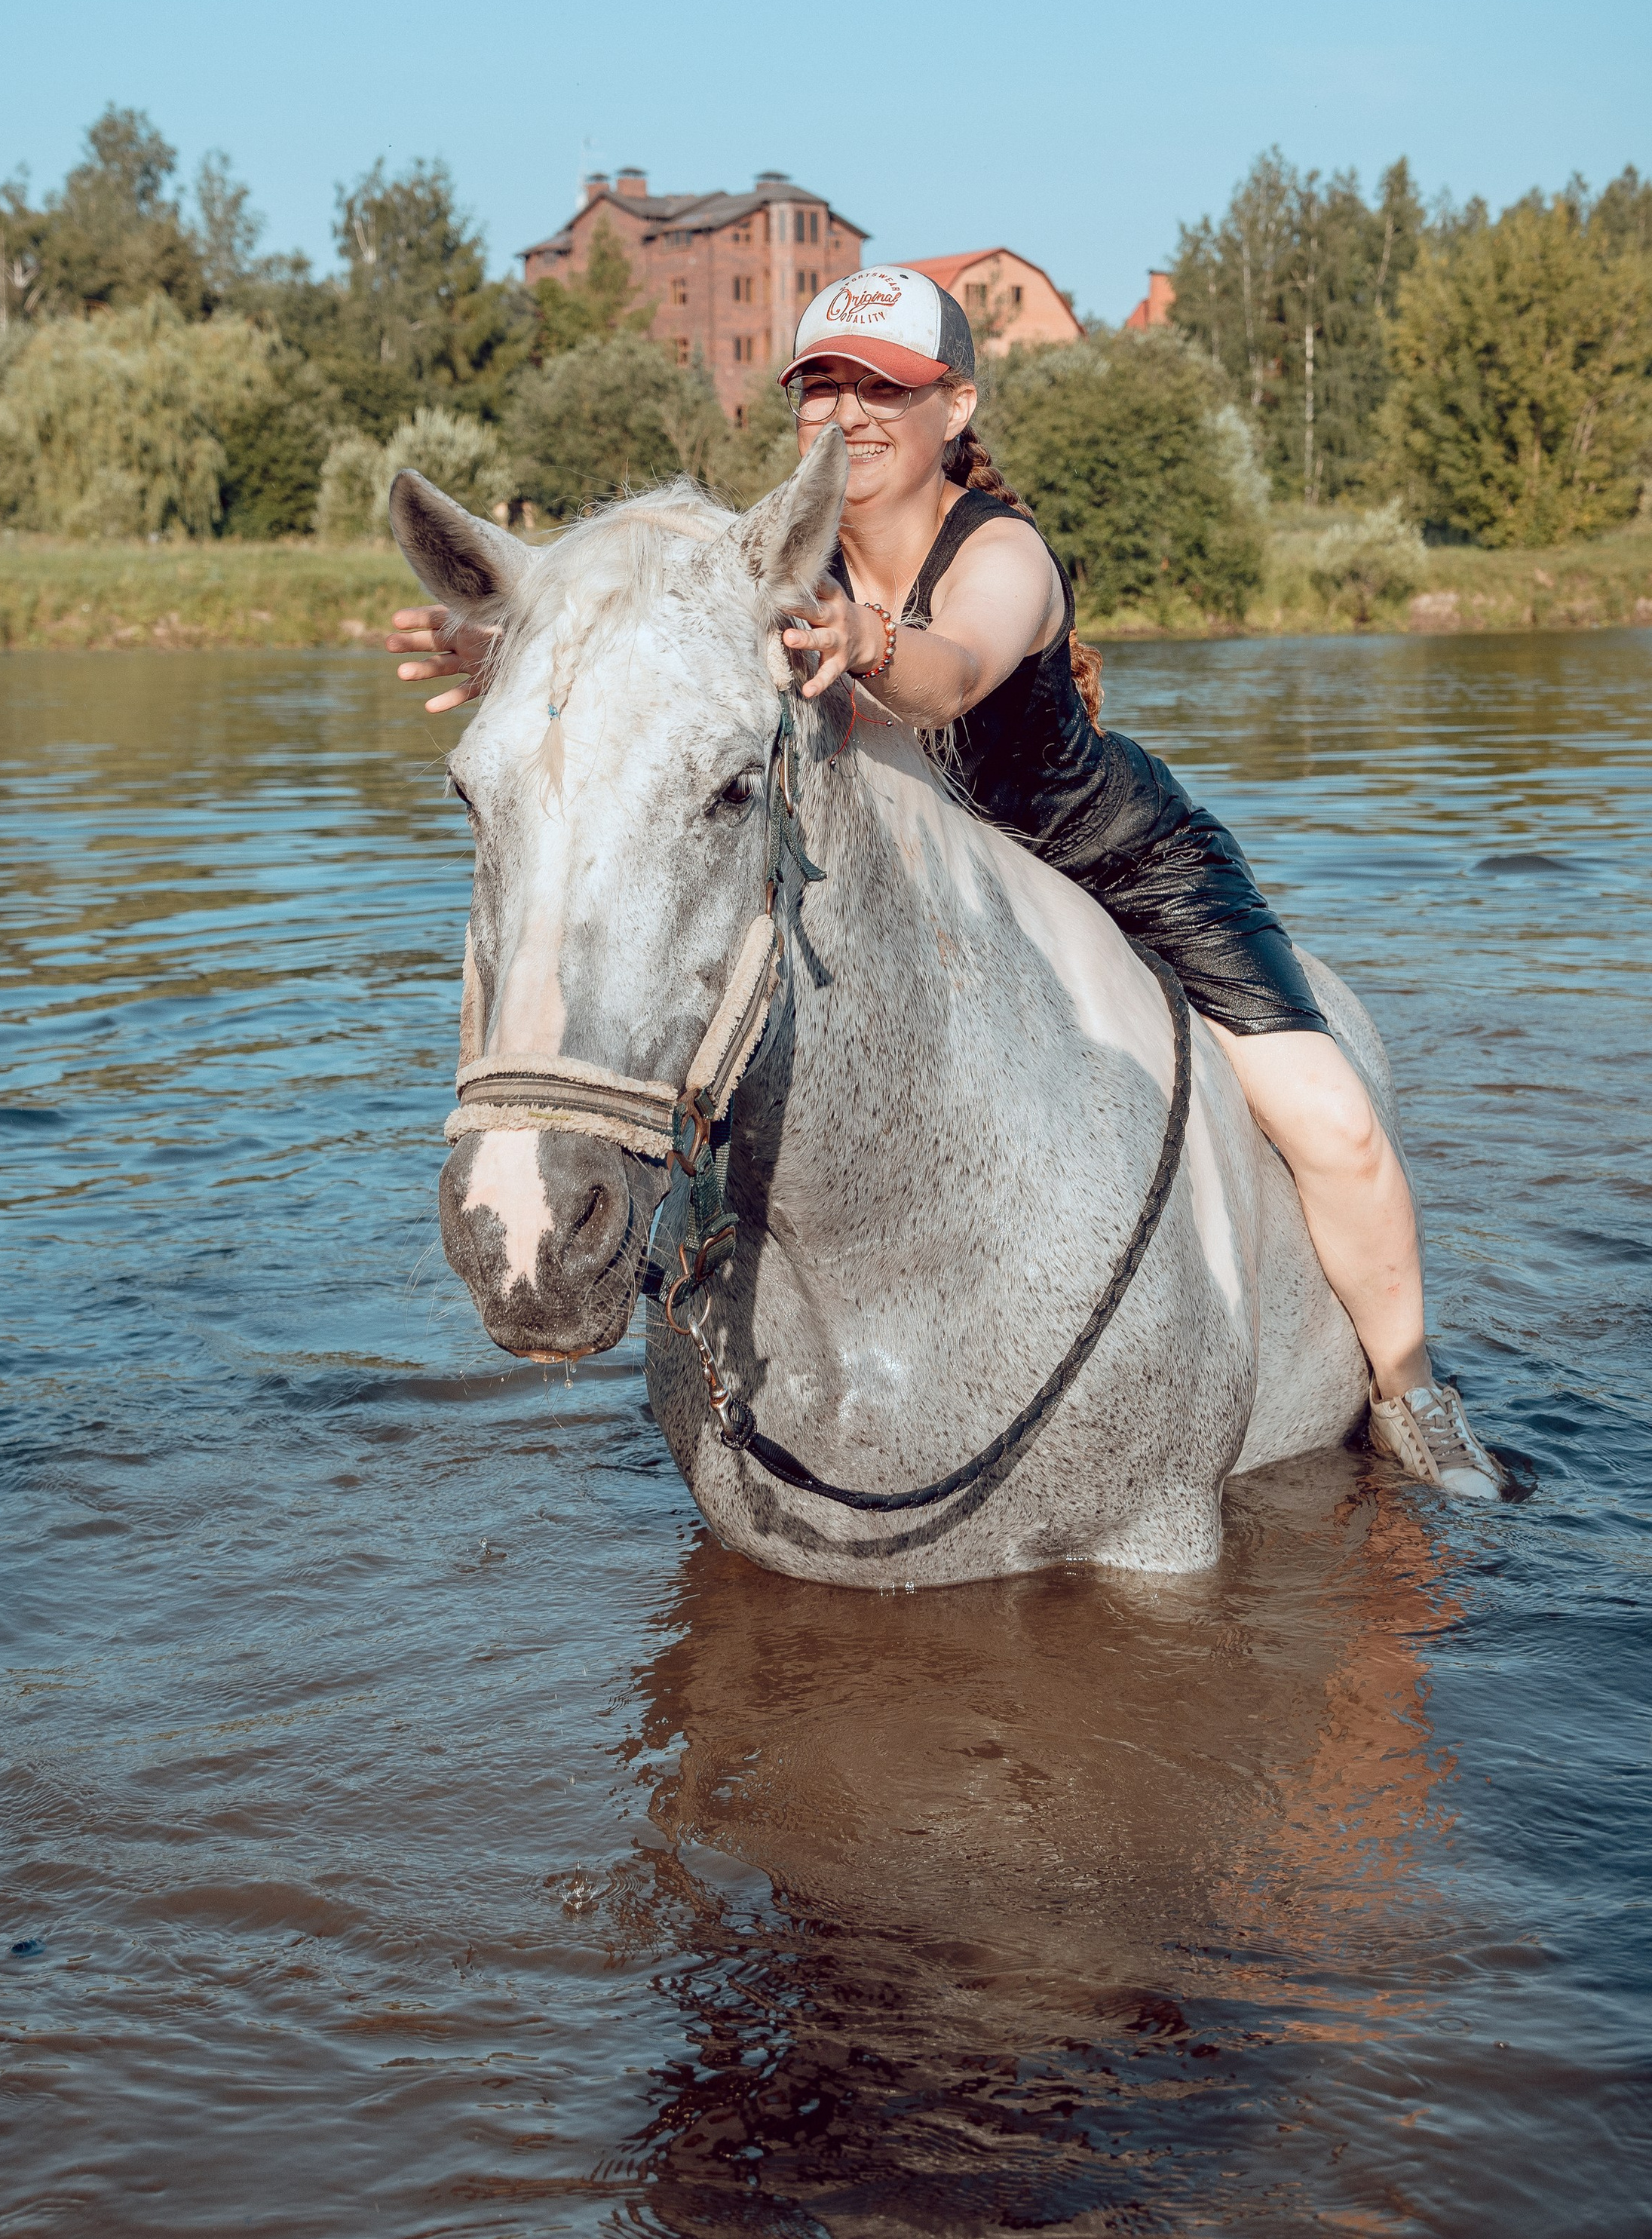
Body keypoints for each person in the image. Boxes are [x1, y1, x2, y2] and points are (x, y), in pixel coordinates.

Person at [391, 268, 1504, 1503]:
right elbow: (656, 673)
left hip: (1110, 858)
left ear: (955, 405)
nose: (848, 412)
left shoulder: (1001, 551)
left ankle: (1412, 1393)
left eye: (885, 388)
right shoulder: (773, 561)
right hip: (937, 902)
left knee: (1333, 1122)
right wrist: (521, 646)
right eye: (822, 386)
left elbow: (957, 669)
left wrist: (866, 641)